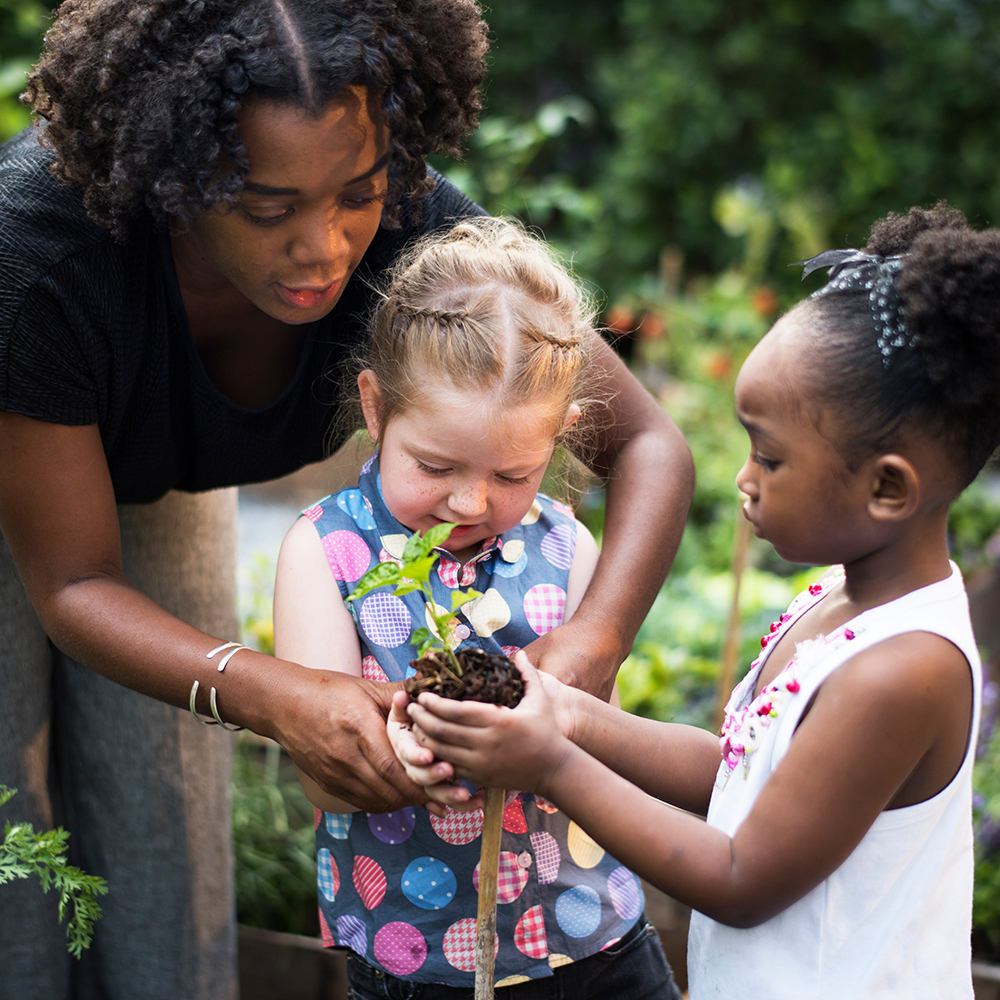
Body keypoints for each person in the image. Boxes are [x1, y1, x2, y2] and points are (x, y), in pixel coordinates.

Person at [0, 2, 694, 998]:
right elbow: (71, 585)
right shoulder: (38, 256)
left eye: (354, 196)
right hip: (16, 425)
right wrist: (274, 690)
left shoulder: (414, 228)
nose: (324, 248)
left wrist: (587, 649)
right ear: (173, 181)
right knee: (9, 833)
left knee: (161, 816)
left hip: (161, 467)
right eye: (268, 209)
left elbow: (651, 447)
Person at [399, 203, 1000, 998]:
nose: (743, 479)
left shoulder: (902, 670)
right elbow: (737, 776)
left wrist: (550, 762)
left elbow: (741, 877)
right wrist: (572, 714)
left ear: (888, 487)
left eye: (770, 457)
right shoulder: (839, 604)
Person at [273, 216, 683, 999]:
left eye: (514, 474)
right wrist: (404, 754)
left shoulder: (567, 550)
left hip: (592, 937)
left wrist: (555, 732)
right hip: (420, 955)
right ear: (375, 406)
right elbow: (323, 775)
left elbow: (603, 737)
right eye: (434, 465)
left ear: (561, 438)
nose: (468, 501)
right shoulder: (326, 552)